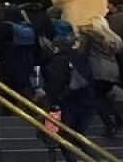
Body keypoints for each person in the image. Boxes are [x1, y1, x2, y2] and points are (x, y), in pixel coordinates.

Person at [42, 30, 97, 162]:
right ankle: (94, 158)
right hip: (86, 102)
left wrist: (54, 102)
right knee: (78, 136)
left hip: (68, 104)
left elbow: (56, 83)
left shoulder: (58, 60)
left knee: (63, 137)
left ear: (56, 48)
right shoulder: (79, 57)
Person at [79, 16, 123, 137]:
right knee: (104, 96)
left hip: (98, 70)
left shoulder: (90, 35)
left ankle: (109, 125)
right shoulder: (113, 38)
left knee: (96, 99)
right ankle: (118, 117)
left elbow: (82, 51)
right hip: (113, 71)